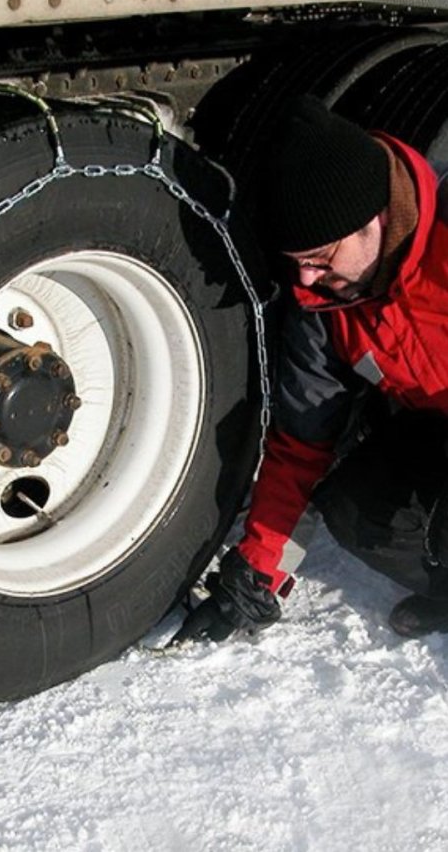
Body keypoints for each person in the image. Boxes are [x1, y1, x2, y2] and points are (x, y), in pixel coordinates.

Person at [173, 94, 448, 644]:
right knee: (357, 507)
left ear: (373, 220)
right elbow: (301, 445)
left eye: (320, 259)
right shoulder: (326, 306)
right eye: (297, 264)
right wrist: (257, 572)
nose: (305, 280)